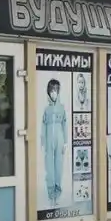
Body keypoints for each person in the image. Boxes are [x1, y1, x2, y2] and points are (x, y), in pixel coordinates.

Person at [40, 79, 68, 207]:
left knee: (58, 168)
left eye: (55, 91)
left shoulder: (62, 108)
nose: (53, 94)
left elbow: (65, 125)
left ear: (58, 92)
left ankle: (57, 195)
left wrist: (66, 142)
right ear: (48, 92)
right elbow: (43, 126)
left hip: (59, 141)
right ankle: (51, 195)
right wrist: (42, 142)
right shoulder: (46, 109)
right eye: (51, 91)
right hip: (48, 142)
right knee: (50, 170)